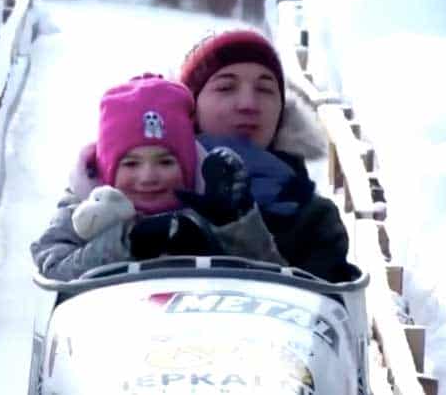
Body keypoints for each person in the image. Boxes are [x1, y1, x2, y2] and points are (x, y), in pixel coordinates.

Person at [31, 74, 284, 281]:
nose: (148, 177)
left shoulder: (206, 210)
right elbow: (53, 268)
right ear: (107, 167)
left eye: (166, 162)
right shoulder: (83, 209)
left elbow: (273, 277)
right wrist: (129, 240)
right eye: (130, 163)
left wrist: (235, 224)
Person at [177, 28, 357, 283]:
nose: (248, 103)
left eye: (265, 89)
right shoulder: (150, 192)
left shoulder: (313, 218)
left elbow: (323, 311)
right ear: (191, 106)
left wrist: (239, 226)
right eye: (226, 87)